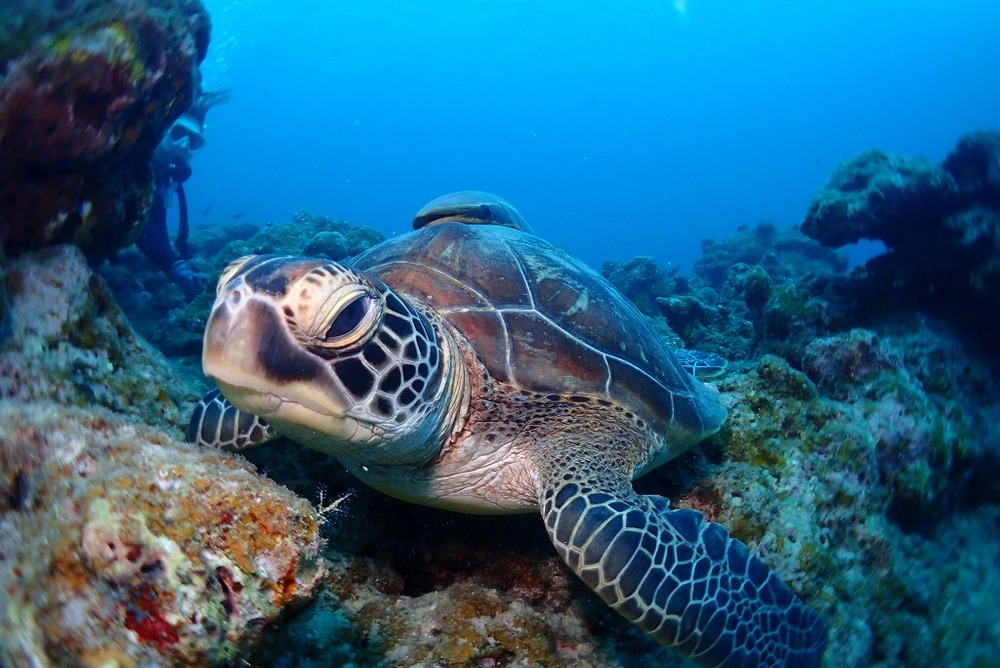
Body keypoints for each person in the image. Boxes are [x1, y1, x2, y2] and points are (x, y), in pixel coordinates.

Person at [136, 88, 228, 301]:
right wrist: (173, 264)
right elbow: (136, 223)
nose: (184, 147)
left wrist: (175, 265)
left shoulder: (161, 179)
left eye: (193, 142)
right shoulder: (129, 165)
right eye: (178, 135)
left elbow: (154, 224)